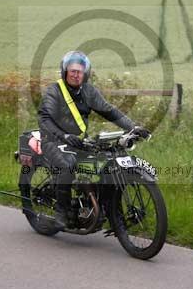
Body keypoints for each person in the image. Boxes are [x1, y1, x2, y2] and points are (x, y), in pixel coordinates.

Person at [38, 50, 150, 230]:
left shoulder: (88, 92)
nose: (76, 74)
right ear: (65, 71)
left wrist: (133, 127)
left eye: (79, 71)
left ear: (85, 73)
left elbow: (110, 111)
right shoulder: (54, 91)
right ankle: (61, 211)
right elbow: (44, 120)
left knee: (105, 162)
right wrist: (64, 136)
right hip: (53, 140)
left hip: (79, 142)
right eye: (72, 70)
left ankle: (98, 206)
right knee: (67, 165)